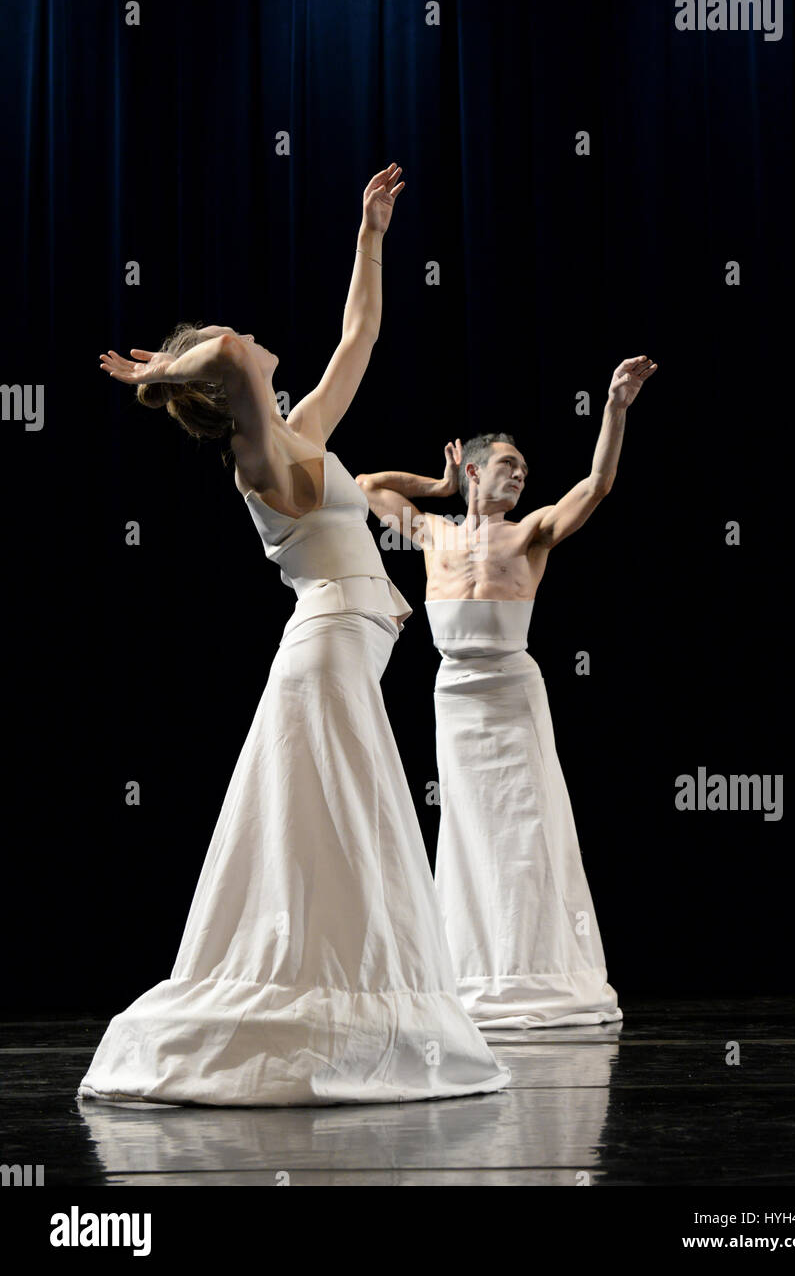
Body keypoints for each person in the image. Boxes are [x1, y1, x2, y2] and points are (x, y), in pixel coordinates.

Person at [78, 164, 510, 1105]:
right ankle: (327, 1005)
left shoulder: (301, 430)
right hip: (325, 649)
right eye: (244, 358)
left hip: (345, 647)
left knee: (338, 825)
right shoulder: (257, 453)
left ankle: (343, 995)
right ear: (226, 393)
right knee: (340, 822)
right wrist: (164, 369)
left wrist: (370, 235)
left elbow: (360, 337)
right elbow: (230, 348)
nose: (265, 344)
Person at [356, 355, 658, 1028]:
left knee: (524, 828)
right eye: (506, 466)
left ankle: (535, 972)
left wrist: (614, 407)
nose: (520, 476)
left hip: (510, 687)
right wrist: (435, 482)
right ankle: (471, 970)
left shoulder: (531, 533)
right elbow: (365, 483)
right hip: (454, 692)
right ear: (472, 470)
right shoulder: (431, 532)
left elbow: (598, 484)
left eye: (523, 470)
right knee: (465, 830)